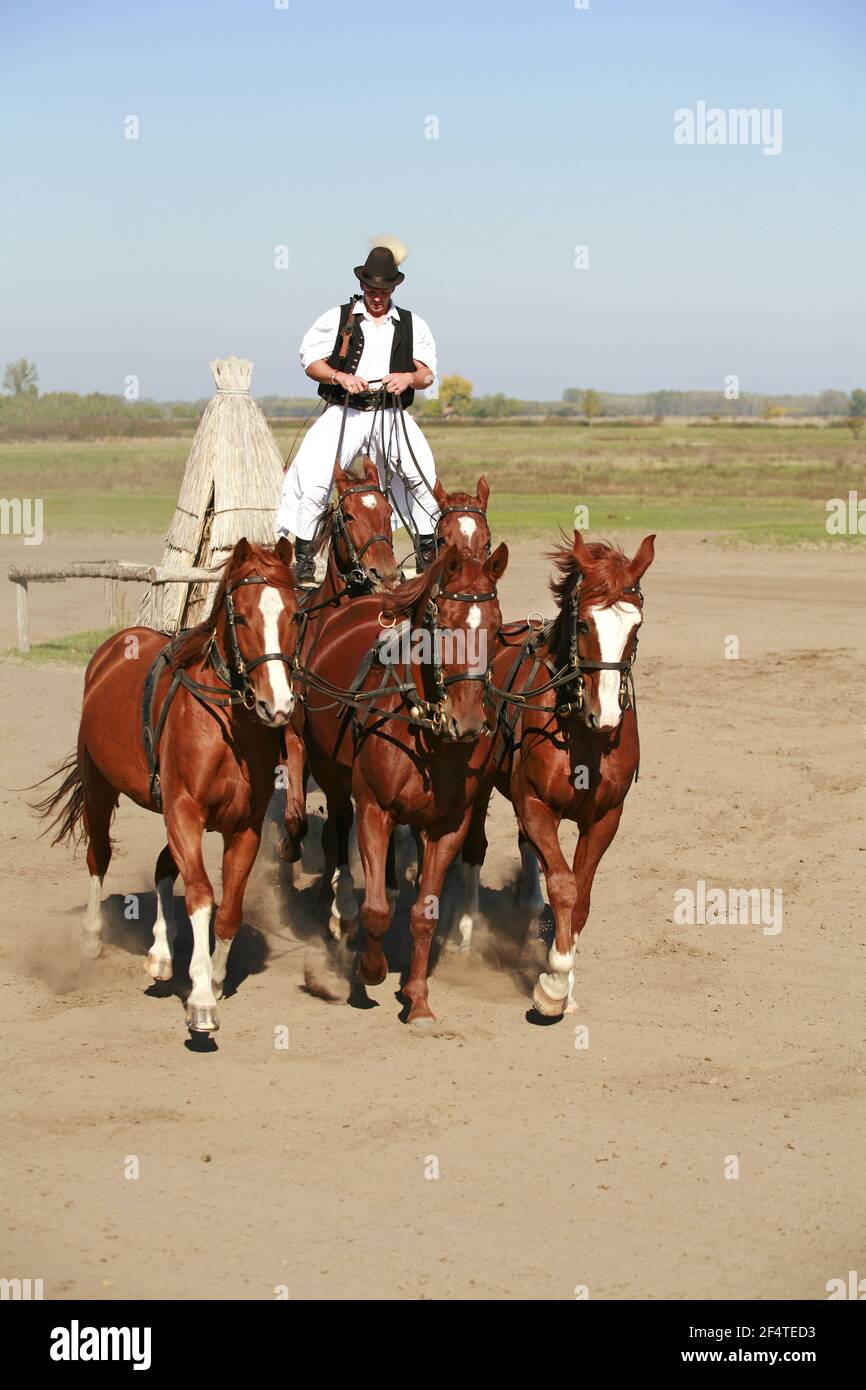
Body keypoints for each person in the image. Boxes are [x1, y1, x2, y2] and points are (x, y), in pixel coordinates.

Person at [276, 236, 440, 583]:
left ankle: (427, 558)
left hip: (391, 412)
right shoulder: (338, 318)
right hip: (346, 410)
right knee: (316, 479)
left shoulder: (412, 324)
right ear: (363, 285)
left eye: (383, 290)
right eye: (371, 290)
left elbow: (427, 375)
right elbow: (311, 364)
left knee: (421, 476)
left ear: (393, 288)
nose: (377, 297)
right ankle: (304, 562)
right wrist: (340, 376)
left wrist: (408, 377)